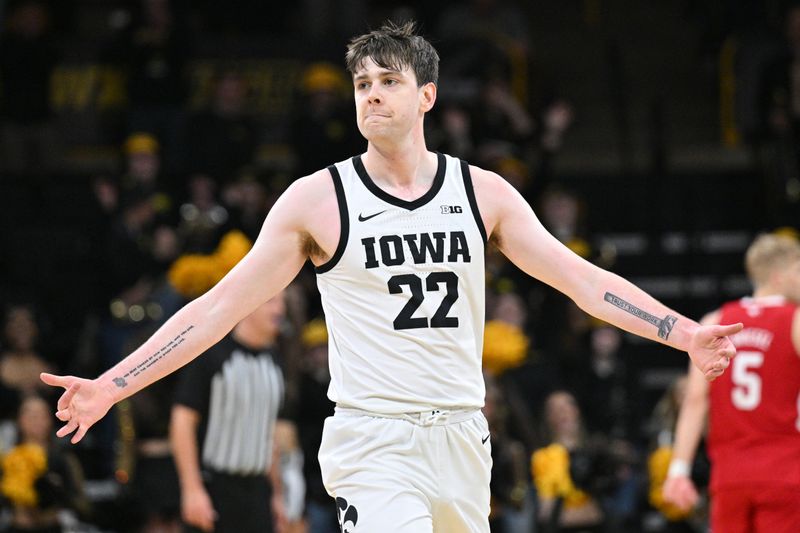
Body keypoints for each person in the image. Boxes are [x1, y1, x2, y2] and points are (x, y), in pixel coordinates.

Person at [41, 21, 742, 533]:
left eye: (387, 82)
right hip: (375, 438)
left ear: (427, 96)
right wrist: (113, 383)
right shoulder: (317, 200)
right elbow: (219, 305)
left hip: (464, 435)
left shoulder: (484, 193)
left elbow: (581, 279)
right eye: (362, 84)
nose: (371, 95)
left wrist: (682, 332)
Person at [662, 233, 800, 533]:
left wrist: (679, 469)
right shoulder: (796, 320)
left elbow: (695, 401)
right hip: (785, 470)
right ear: (780, 275)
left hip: (729, 475)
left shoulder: (716, 319)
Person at [169, 293, 288, 533]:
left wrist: (276, 493)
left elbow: (268, 433)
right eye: (271, 300)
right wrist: (192, 488)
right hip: (215, 489)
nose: (280, 310)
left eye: (282, 301)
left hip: (257, 492)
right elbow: (182, 421)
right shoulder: (212, 354)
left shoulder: (274, 360)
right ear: (248, 303)